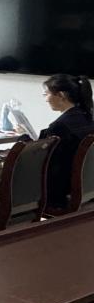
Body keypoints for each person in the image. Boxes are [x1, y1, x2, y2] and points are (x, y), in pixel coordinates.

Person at [38, 74, 94, 209]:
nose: (45, 99)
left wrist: (24, 139)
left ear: (61, 95)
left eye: (46, 94)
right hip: (85, 188)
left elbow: (43, 160)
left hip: (59, 192)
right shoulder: (88, 119)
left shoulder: (60, 126)